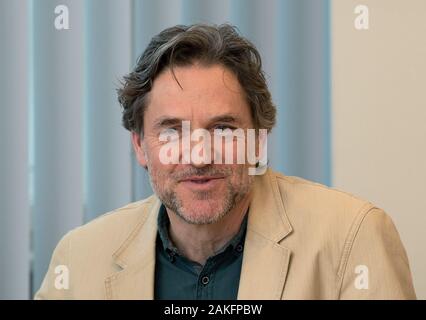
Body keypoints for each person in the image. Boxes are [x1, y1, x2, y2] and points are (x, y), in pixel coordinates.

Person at [35, 23, 416, 299]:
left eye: (223, 130)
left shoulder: (352, 239)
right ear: (140, 146)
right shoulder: (80, 258)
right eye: (172, 131)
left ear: (258, 139)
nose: (199, 156)